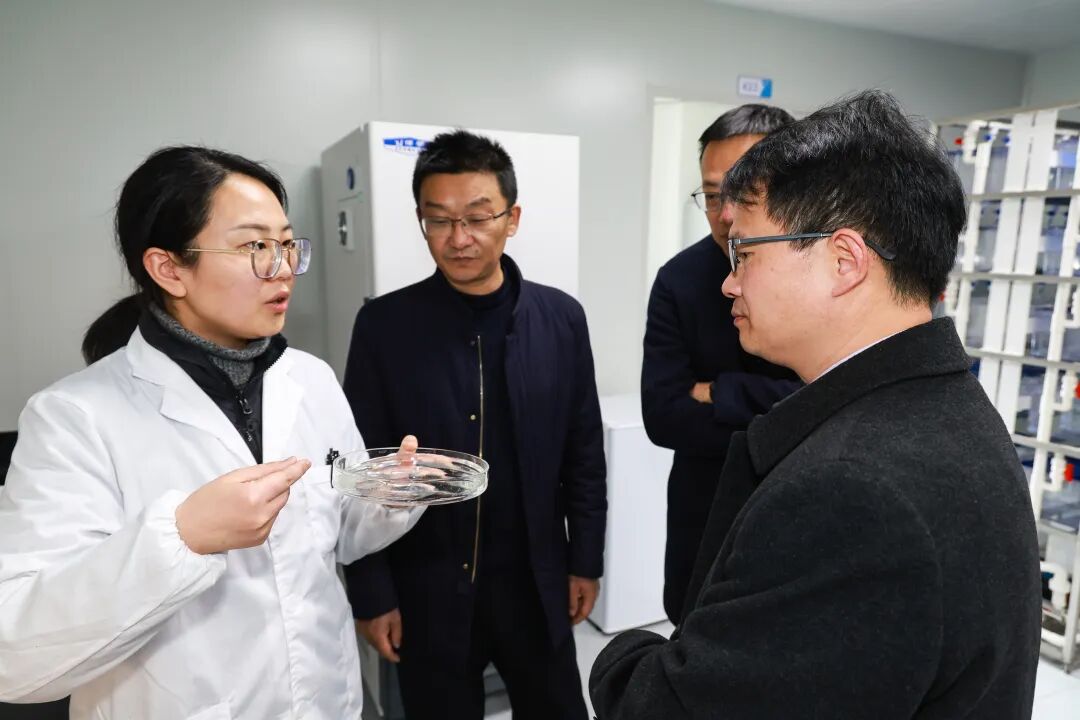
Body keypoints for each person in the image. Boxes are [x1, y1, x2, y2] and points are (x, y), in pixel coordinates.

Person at [590, 90, 1042, 718]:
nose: (729, 281)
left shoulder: (850, 490)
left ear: (843, 260)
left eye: (746, 253)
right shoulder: (951, 406)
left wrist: (623, 655)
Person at [0, 146, 422, 719]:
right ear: (169, 268)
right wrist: (182, 537)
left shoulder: (311, 379)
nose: (282, 268)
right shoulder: (73, 417)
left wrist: (388, 495)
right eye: (254, 247)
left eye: (286, 244)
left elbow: (338, 535)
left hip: (327, 700)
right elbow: (17, 656)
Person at [342, 130, 606, 720]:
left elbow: (583, 453)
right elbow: (362, 472)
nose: (458, 238)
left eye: (478, 218)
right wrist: (373, 594)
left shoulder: (561, 319)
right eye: (438, 220)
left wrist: (585, 560)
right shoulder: (384, 327)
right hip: (428, 586)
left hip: (535, 583)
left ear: (512, 219)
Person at [642, 103, 801, 623]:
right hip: (703, 514)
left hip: (797, 512)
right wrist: (783, 411)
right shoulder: (679, 279)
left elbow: (836, 402)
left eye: (744, 190)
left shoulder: (822, 273)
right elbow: (663, 417)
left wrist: (721, 391)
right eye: (713, 195)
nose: (726, 213)